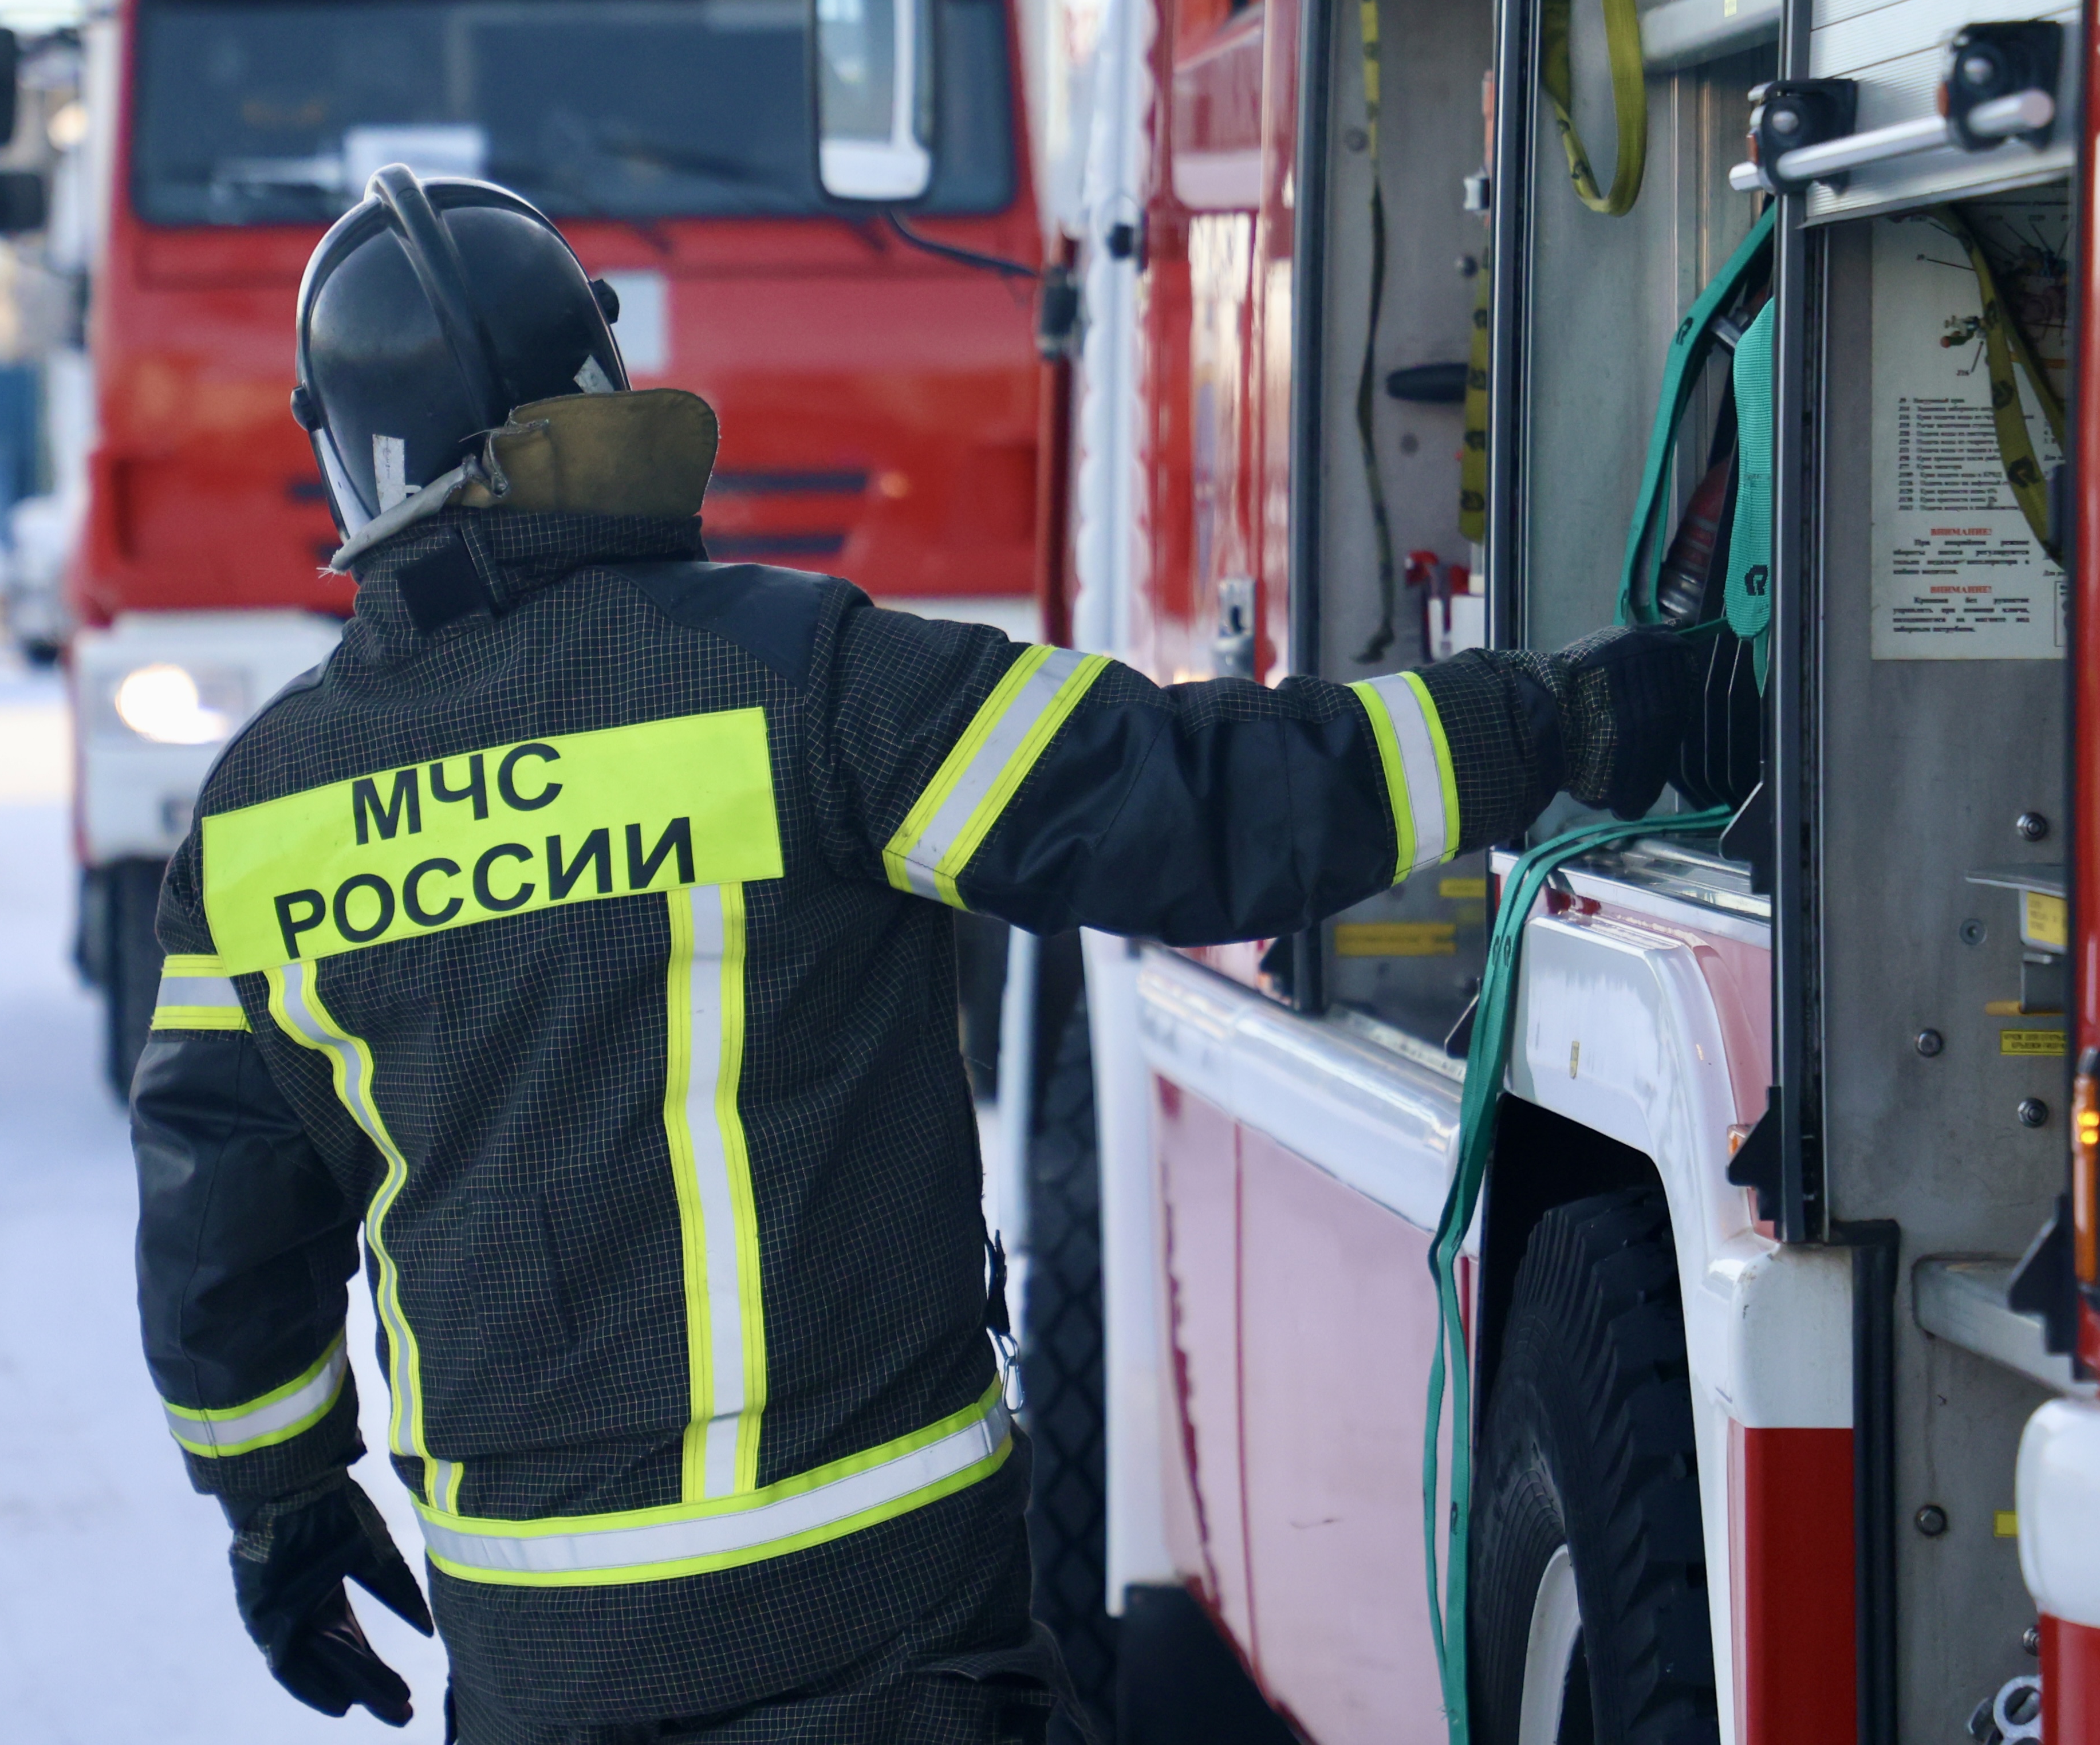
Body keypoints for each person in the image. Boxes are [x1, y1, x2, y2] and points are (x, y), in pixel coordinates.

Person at [130, 168, 1753, 1744]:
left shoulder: (263, 822)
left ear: (347, 467)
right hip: (884, 1623)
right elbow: (1198, 812)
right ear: (603, 381)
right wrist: (1568, 718)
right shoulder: (798, 680)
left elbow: (219, 1218)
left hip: (546, 1648)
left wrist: (278, 1512)